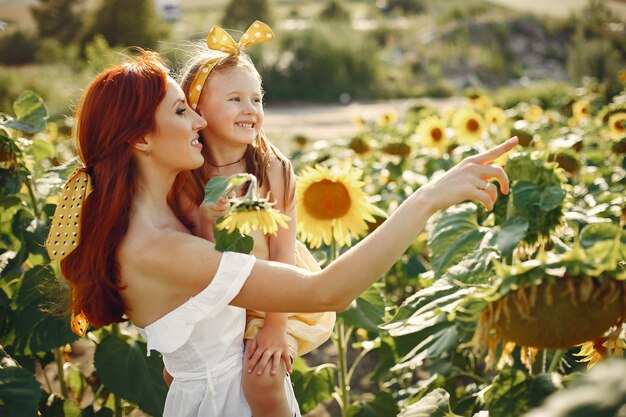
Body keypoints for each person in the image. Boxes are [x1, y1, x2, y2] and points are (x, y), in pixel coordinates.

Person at [46, 49, 517, 417]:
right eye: (181, 111)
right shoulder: (160, 247)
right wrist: (427, 198)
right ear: (141, 138)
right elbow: (326, 292)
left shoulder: (166, 218)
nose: (199, 120)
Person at [173, 21, 335, 417]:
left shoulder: (272, 168)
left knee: (262, 377)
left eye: (257, 99)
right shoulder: (185, 175)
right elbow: (190, 249)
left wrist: (276, 326)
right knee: (178, 374)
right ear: (197, 110)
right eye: (235, 100)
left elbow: (282, 251)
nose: (251, 109)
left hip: (275, 298)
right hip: (217, 300)